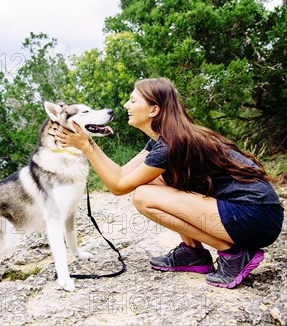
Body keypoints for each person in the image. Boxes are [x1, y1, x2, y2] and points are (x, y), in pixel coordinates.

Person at [54, 77, 284, 289]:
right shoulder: (162, 139)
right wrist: (88, 145)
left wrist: (87, 147)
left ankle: (234, 254)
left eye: (133, 100)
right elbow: (122, 174)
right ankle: (193, 253)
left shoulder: (172, 144)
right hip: (251, 213)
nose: (126, 105)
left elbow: (118, 187)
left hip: (256, 216)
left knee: (144, 196)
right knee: (152, 183)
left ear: (154, 110)